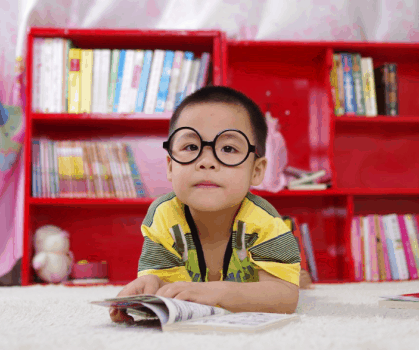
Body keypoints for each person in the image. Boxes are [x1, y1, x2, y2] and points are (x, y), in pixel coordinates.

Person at [110, 86, 301, 324]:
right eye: (191, 147)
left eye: (228, 148)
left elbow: (285, 297)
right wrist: (150, 286)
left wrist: (217, 292)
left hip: (260, 276)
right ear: (170, 166)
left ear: (257, 170)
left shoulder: (267, 222)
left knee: (296, 279)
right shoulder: (162, 215)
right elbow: (165, 280)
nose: (207, 162)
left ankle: (300, 274)